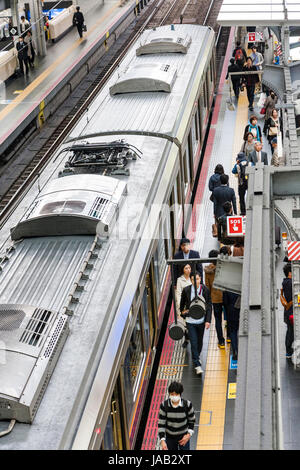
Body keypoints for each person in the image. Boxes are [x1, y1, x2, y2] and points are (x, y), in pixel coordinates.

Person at [180, 271, 212, 374]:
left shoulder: (205, 290)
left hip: (201, 321)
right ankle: (197, 364)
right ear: (191, 280)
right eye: (193, 280)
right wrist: (184, 313)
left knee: (199, 342)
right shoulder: (186, 290)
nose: (195, 281)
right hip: (190, 321)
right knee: (193, 341)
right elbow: (182, 306)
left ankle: (196, 356)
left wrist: (208, 320)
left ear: (200, 279)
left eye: (197, 279)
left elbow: (209, 306)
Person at [158, 381, 196, 450]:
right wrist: (162, 441)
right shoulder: (164, 406)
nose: (174, 396)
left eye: (176, 394)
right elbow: (161, 424)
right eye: (172, 394)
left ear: (180, 394)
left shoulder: (187, 404)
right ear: (169, 394)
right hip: (170, 438)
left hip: (184, 437)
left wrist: (188, 435)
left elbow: (192, 421)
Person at [205, 250, 225, 349]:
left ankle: (221, 341)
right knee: (229, 317)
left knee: (218, 320)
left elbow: (207, 286)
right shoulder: (224, 267)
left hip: (215, 298)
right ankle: (229, 336)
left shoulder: (208, 271)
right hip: (225, 296)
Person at [176, 263, 192, 348]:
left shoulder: (193, 278)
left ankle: (192, 338)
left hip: (192, 305)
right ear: (183, 270)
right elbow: (178, 293)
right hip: (184, 306)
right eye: (186, 268)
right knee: (185, 323)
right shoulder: (180, 280)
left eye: (189, 268)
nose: (188, 270)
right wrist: (180, 306)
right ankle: (186, 339)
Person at [280, 263, 294, 359]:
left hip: (288, 310)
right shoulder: (290, 283)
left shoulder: (285, 282)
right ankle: (289, 350)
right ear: (290, 273)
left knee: (290, 330)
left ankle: (289, 350)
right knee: (291, 331)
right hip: (291, 311)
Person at [223, 291, 240, 360]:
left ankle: (235, 351)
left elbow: (225, 302)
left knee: (233, 331)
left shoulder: (227, 287)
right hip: (241, 310)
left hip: (231, 311)